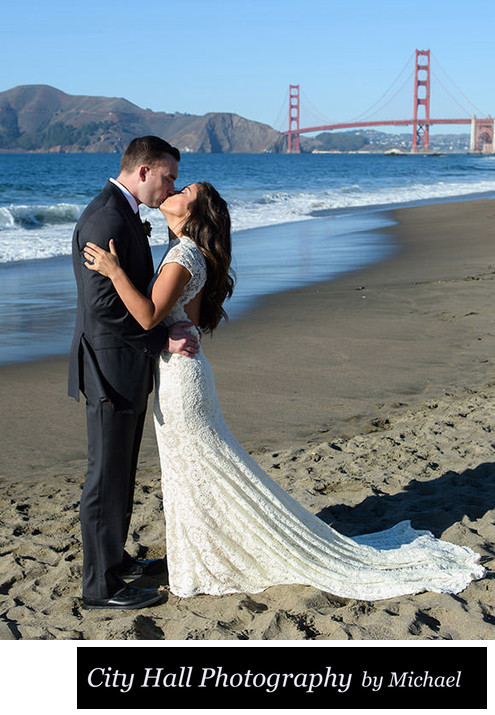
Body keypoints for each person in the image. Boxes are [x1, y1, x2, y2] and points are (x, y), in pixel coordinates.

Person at [83, 181, 485, 601]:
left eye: (184, 189)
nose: (175, 189)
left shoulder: (183, 255)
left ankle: (217, 554)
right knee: (198, 470)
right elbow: (179, 317)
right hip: (183, 373)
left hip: (182, 382)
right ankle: (208, 550)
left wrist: (114, 271)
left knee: (201, 469)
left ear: (193, 213)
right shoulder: (184, 252)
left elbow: (147, 317)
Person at [68, 136, 199, 610]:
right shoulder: (105, 218)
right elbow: (103, 308)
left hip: (124, 364)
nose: (170, 187)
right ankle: (100, 586)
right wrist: (160, 340)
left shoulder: (123, 215)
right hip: (109, 367)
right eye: (167, 177)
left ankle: (115, 560)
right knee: (105, 474)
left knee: (120, 470)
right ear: (143, 171)